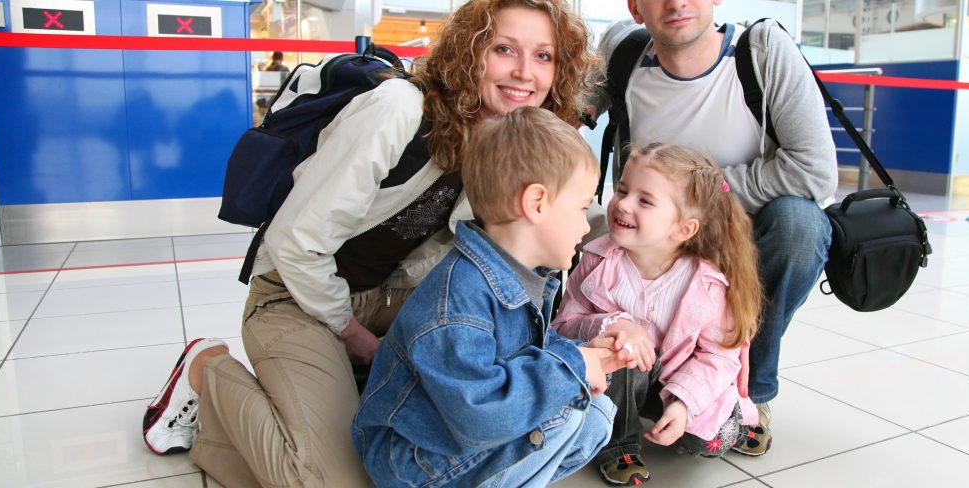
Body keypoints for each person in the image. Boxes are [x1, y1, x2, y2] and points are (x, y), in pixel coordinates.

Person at [140, 1, 600, 486]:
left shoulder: (514, 145)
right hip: (296, 295)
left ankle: (227, 437)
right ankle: (207, 370)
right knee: (329, 480)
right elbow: (297, 242)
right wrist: (353, 335)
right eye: (504, 49)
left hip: (395, 295)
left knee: (384, 468)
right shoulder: (399, 109)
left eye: (544, 56)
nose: (525, 72)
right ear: (471, 52)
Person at [589, 0, 838, 457]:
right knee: (582, 228)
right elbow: (562, 119)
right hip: (650, 237)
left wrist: (702, 197)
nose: (677, 3)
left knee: (800, 225)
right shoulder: (623, 51)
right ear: (634, 6)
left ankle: (752, 392)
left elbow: (816, 171)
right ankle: (618, 382)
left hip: (739, 230)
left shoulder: (761, 51)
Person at [354, 106, 630, 488]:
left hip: (454, 439)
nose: (586, 225)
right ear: (536, 203)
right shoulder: (458, 299)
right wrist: (573, 366)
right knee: (561, 418)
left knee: (594, 414)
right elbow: (480, 414)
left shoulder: (524, 275)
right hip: (412, 459)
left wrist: (588, 353)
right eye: (583, 207)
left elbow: (528, 353)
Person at [552, 142, 763, 485]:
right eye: (621, 190)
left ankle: (734, 420)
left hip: (679, 379)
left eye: (645, 200)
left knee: (707, 442)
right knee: (619, 352)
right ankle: (618, 444)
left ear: (683, 229)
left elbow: (718, 357)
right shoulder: (596, 260)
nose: (623, 204)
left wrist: (683, 403)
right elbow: (562, 327)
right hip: (620, 380)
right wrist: (613, 325)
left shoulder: (707, 283)